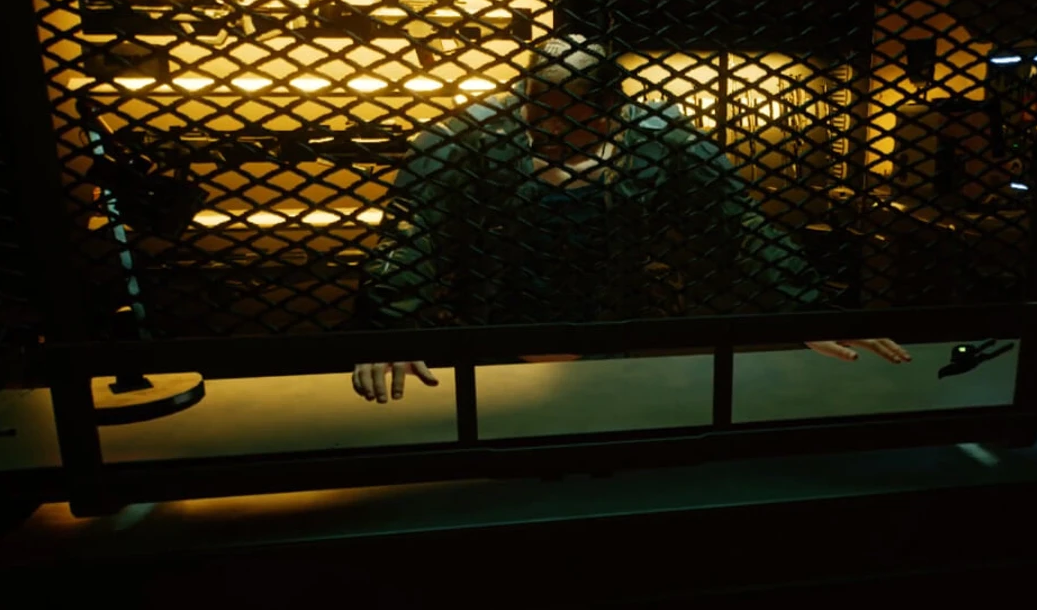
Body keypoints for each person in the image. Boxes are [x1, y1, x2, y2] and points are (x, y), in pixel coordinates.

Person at [352, 35, 912, 403]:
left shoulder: (659, 140)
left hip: (612, 333)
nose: (555, 134)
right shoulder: (467, 140)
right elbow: (413, 231)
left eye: (575, 122)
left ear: (611, 111)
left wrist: (808, 313)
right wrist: (389, 331)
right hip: (494, 334)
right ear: (524, 98)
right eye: (542, 118)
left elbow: (739, 227)